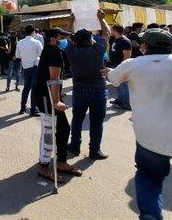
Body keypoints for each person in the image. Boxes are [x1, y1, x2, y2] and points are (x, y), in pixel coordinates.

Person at [102, 28, 172, 220]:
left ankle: (150, 216)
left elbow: (113, 79)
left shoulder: (133, 64)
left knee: (149, 177)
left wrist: (108, 71)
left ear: (144, 46)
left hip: (149, 137)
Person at [36, 27, 82, 182]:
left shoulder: (51, 49)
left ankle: (61, 162)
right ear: (54, 39)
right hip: (46, 97)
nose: (66, 41)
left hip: (47, 94)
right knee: (49, 131)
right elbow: (53, 79)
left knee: (63, 128)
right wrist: (56, 101)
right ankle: (43, 167)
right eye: (63, 38)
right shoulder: (54, 52)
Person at [65, 10, 110, 160]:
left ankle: (75, 146)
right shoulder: (98, 50)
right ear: (91, 40)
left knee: (77, 119)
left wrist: (71, 22)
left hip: (79, 90)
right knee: (96, 121)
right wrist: (101, 19)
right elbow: (107, 33)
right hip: (98, 90)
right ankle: (94, 150)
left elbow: (67, 36)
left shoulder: (71, 51)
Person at [16, 25, 43, 115]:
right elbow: (41, 55)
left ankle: (22, 108)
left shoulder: (20, 42)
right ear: (33, 32)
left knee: (26, 88)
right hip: (35, 67)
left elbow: (17, 56)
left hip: (25, 67)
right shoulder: (36, 42)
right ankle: (33, 110)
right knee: (34, 89)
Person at [108, 24, 132, 109]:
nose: (110, 31)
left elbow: (127, 56)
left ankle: (126, 104)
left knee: (123, 85)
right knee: (118, 84)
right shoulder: (115, 39)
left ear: (115, 30)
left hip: (121, 67)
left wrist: (122, 69)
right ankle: (120, 99)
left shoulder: (125, 41)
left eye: (112, 30)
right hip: (115, 65)